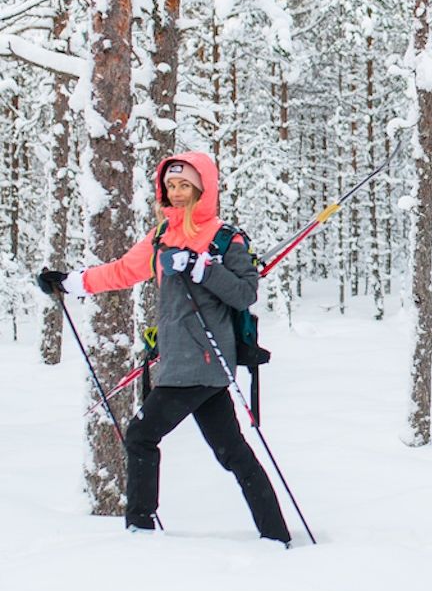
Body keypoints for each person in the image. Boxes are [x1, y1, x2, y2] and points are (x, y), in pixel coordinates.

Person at [37, 153, 291, 547]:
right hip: (183, 362)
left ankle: (139, 531)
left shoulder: (226, 238)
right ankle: (275, 535)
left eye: (184, 186)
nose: (176, 193)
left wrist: (202, 268)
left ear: (202, 190)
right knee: (233, 453)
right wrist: (69, 283)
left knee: (140, 434)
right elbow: (121, 271)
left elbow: (245, 293)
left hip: (202, 361)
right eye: (171, 186)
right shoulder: (161, 237)